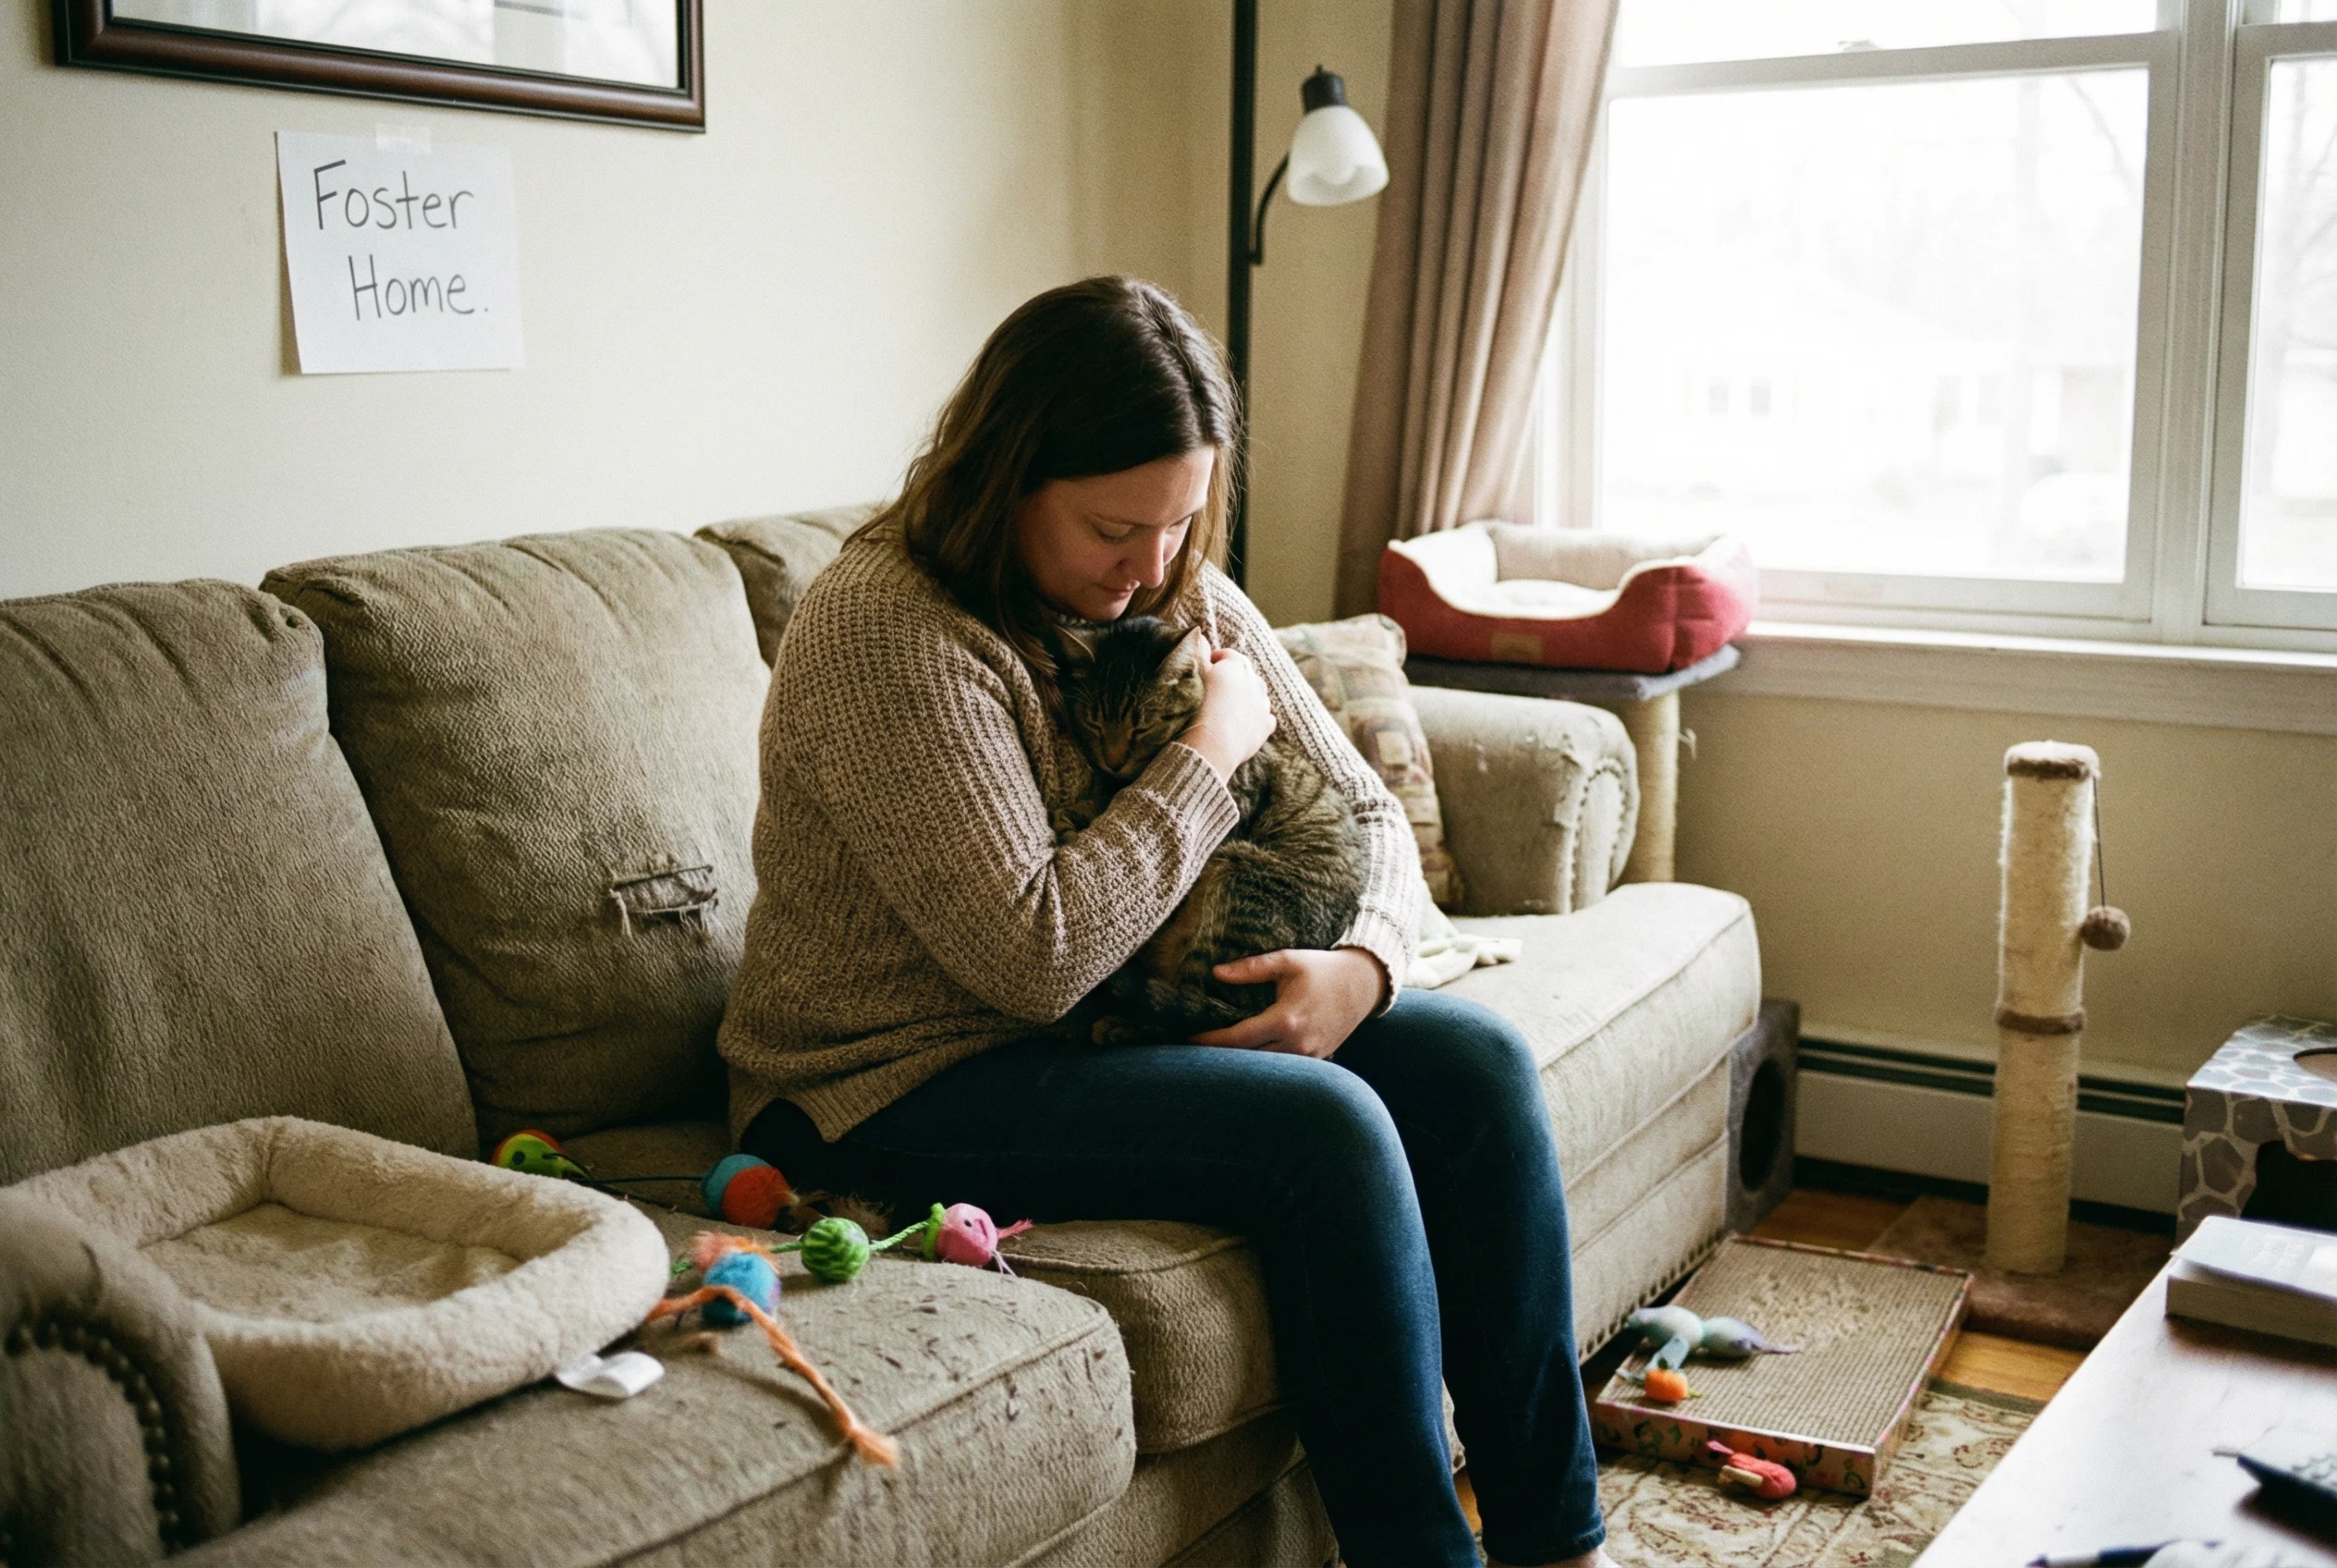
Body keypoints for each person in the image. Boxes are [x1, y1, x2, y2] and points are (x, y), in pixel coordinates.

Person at [719, 276, 1607, 1568]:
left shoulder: (1171, 580)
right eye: (1111, 530)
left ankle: (1562, 1543)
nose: (1148, 574)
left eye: (1180, 524)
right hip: (895, 1079)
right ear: (1005, 479)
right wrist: (1207, 750)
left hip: (1109, 1032)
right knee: (1328, 1130)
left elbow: (1370, 826)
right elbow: (1037, 958)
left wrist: (1364, 968)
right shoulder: (886, 629)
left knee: (1478, 1067)